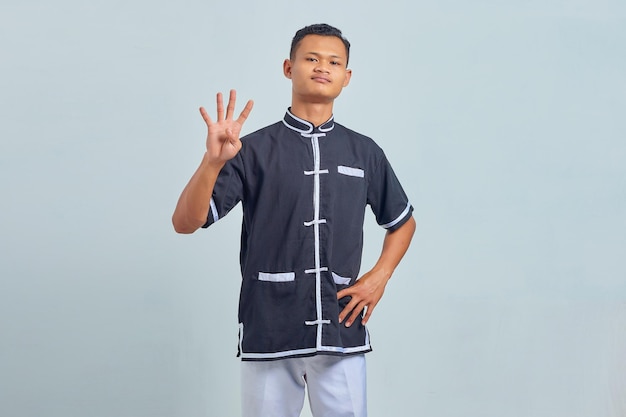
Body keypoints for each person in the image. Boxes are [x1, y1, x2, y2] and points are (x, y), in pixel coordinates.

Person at [172, 23, 416, 417]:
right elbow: (185, 222)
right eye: (312, 58)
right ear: (289, 67)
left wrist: (379, 277)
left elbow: (403, 222)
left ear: (347, 77)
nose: (323, 67)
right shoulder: (251, 151)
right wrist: (212, 162)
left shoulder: (364, 152)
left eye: (334, 62)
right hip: (270, 331)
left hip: (340, 331)